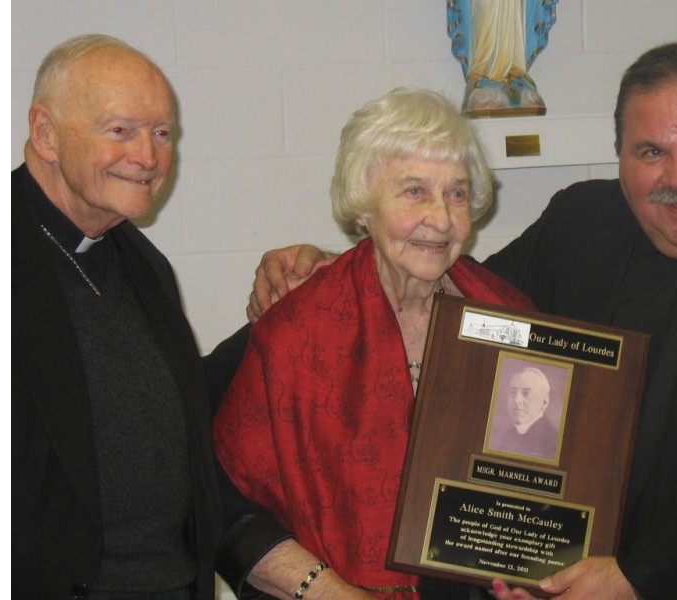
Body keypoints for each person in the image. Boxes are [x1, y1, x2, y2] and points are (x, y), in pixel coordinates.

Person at [248, 40, 677, 599]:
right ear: (619, 156)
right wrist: (344, 271)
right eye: (650, 152)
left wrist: (636, 578)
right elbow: (460, 297)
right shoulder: (584, 225)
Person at [212, 87, 535, 598]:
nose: (442, 217)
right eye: (413, 192)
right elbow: (232, 507)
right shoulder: (296, 333)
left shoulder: (511, 315)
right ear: (364, 207)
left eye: (456, 193)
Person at [11, 34, 294, 600]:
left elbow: (176, 425)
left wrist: (291, 309)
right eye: (121, 130)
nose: (148, 156)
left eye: (162, 134)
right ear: (45, 133)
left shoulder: (140, 263)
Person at [492, 366, 558, 460]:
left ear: (544, 402)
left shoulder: (554, 442)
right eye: (513, 392)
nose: (517, 400)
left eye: (526, 393)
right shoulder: (508, 435)